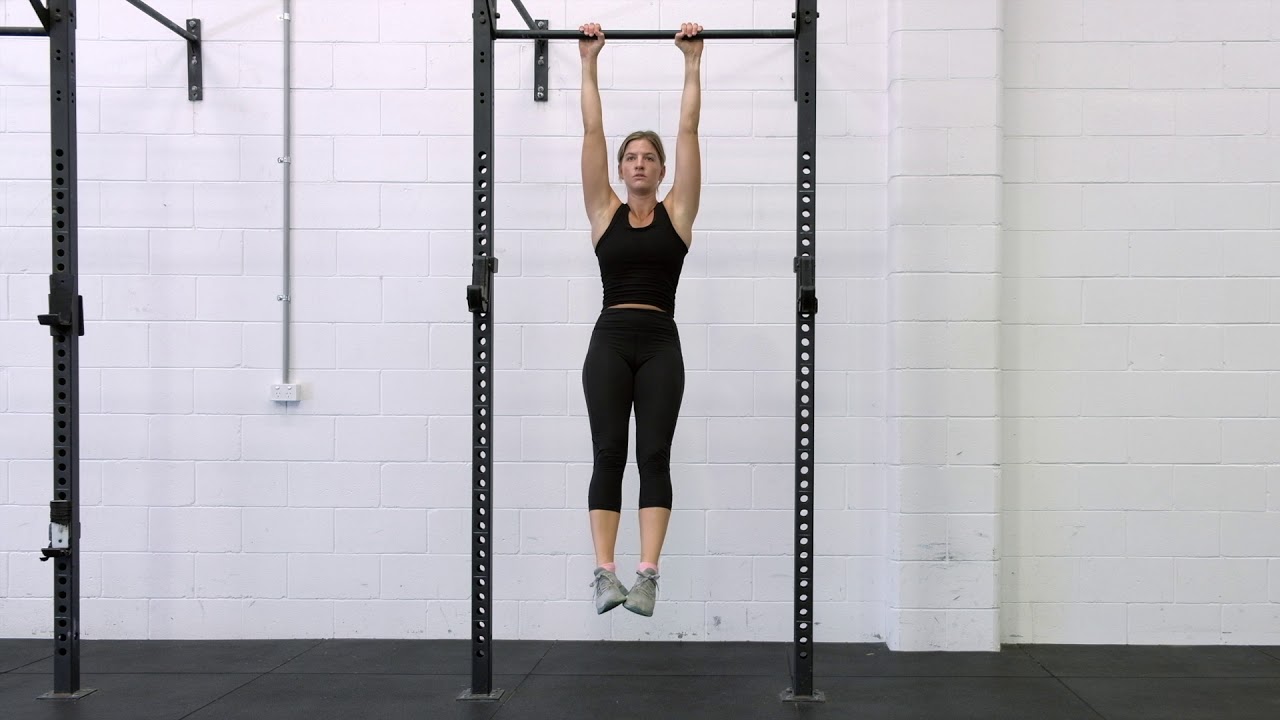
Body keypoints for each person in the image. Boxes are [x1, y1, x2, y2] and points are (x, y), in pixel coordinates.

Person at [577, 21, 703, 617]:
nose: (640, 163)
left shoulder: (678, 213)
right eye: (631, 157)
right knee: (608, 455)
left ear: (659, 172)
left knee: (653, 456)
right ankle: (604, 574)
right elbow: (593, 129)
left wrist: (692, 62)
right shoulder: (604, 211)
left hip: (660, 342)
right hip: (609, 339)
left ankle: (647, 575)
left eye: (649, 158)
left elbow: (688, 129)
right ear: (621, 170)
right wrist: (587, 62)